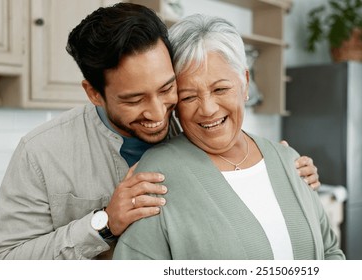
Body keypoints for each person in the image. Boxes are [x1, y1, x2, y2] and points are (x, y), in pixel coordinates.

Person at [0, 3, 320, 260]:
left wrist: (276, 170)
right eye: (134, 99)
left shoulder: (194, 125)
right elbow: (6, 262)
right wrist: (104, 223)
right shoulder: (42, 153)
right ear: (94, 93)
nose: (157, 112)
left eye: (167, 88)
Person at [113, 14, 345, 260]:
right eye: (189, 96)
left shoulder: (289, 160)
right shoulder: (156, 175)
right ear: (175, 104)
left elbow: (330, 251)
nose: (208, 109)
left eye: (220, 89)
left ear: (244, 83)